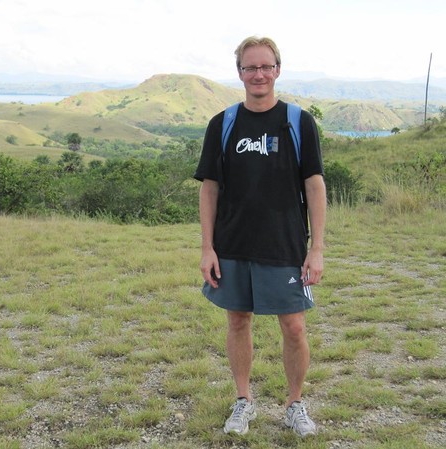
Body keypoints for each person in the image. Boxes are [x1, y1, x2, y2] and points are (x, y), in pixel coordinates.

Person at [194, 36, 326, 437]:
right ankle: (242, 401)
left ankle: (295, 404)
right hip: (232, 243)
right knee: (237, 321)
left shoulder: (298, 121)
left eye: (266, 66)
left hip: (284, 245)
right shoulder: (224, 123)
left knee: (294, 326)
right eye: (250, 68)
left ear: (278, 70)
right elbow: (209, 187)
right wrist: (207, 247)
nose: (258, 74)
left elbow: (315, 185)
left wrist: (317, 248)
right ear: (239, 74)